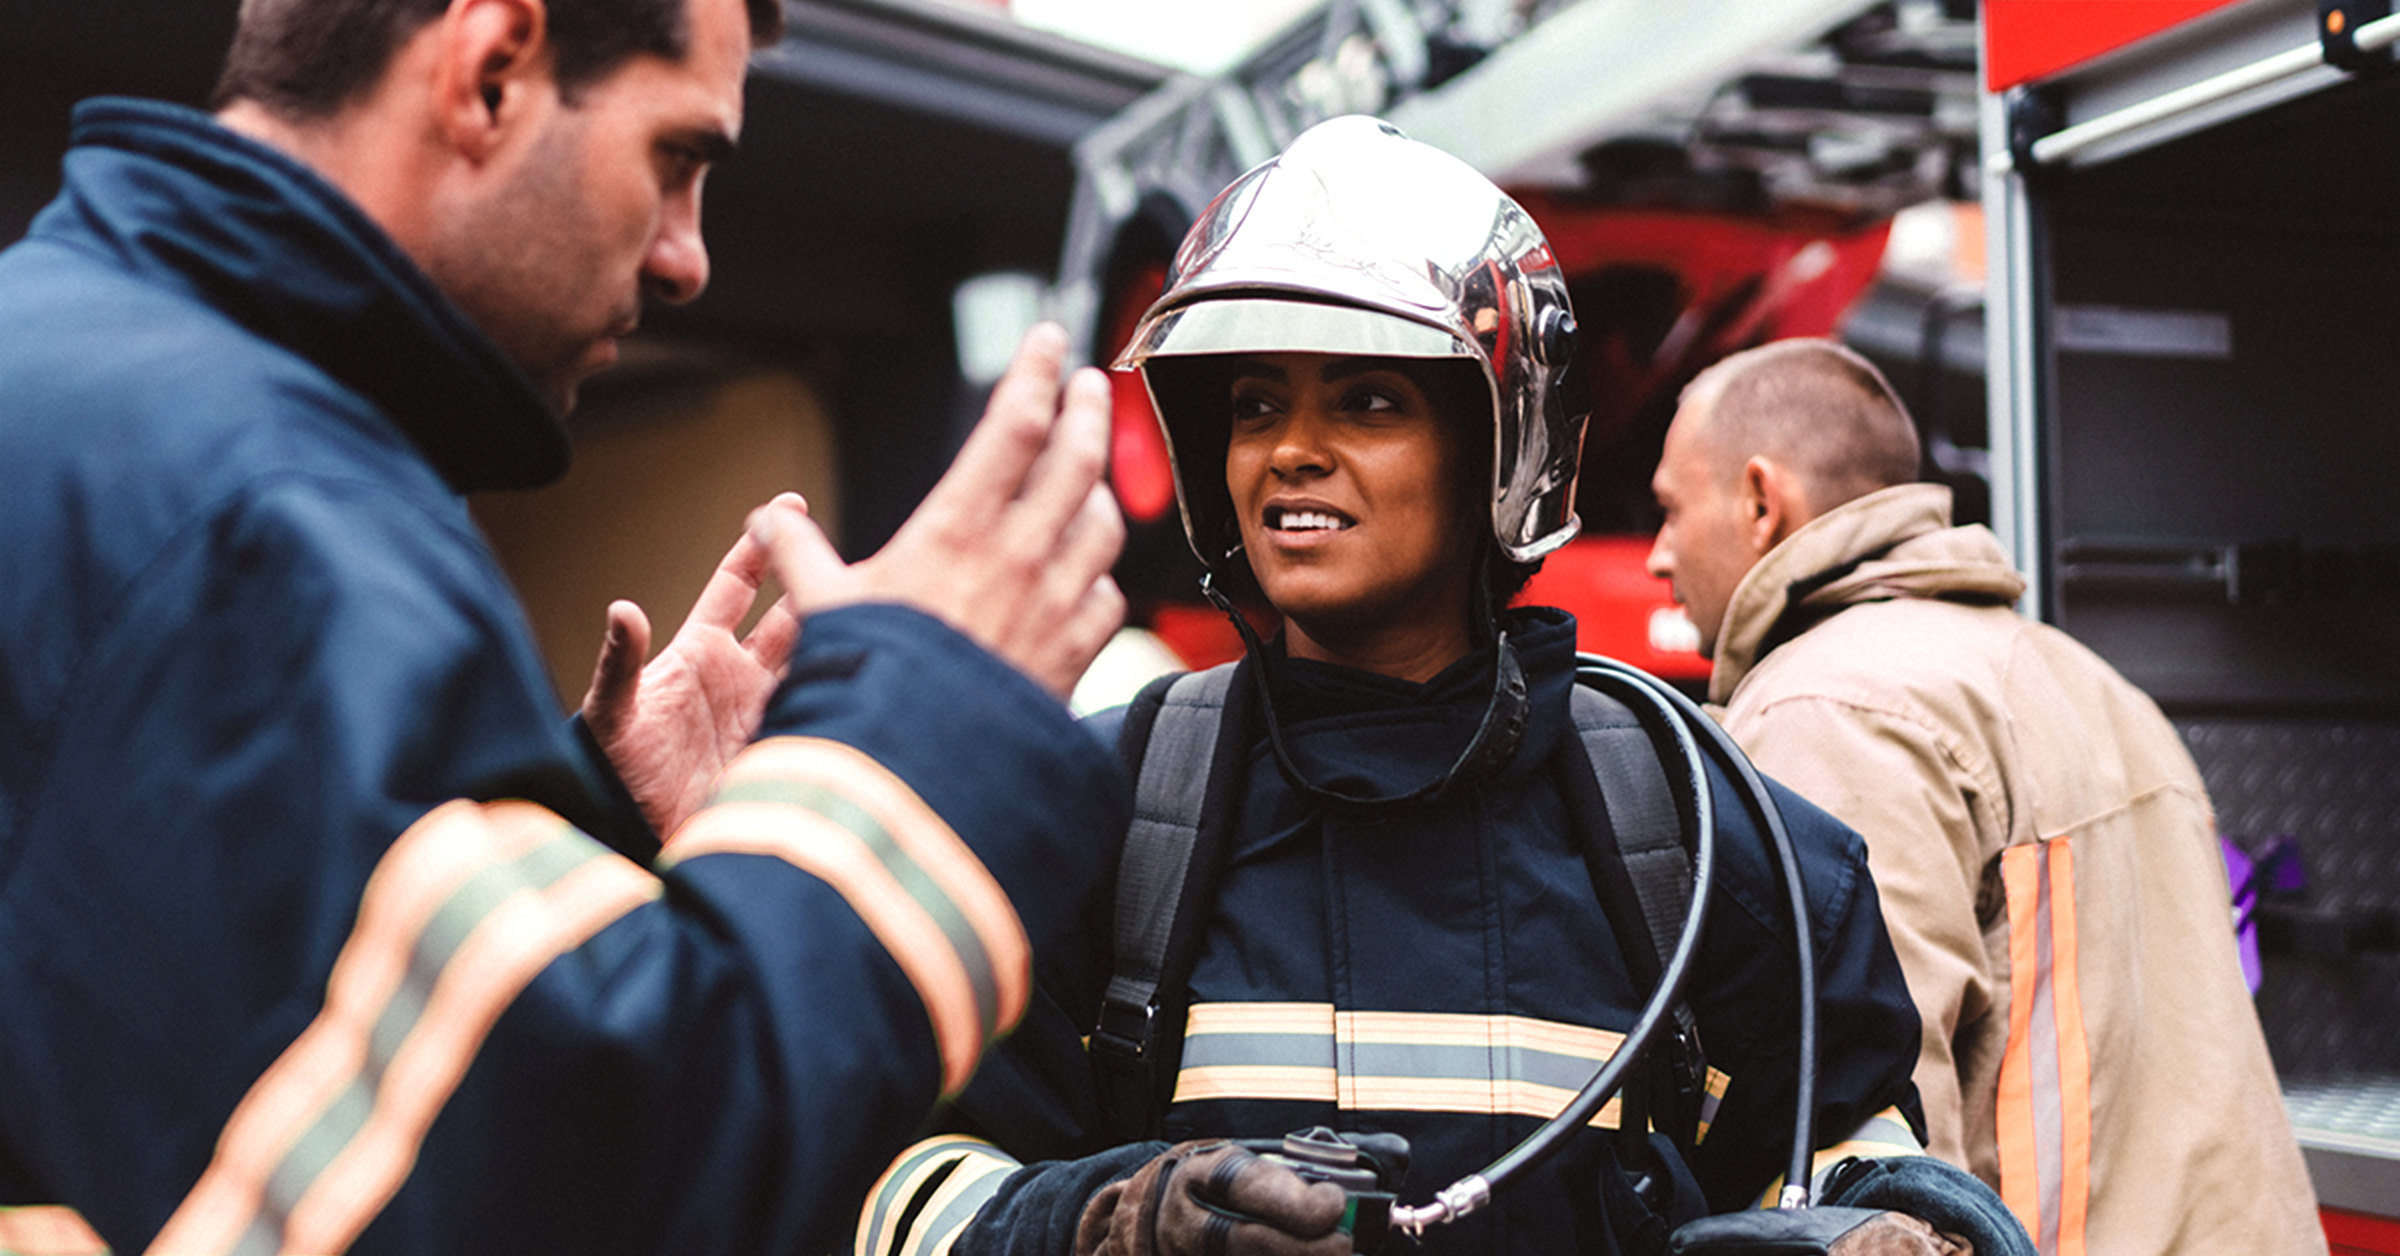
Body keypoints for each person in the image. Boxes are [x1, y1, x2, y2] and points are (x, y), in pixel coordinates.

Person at [0, 0, 1132, 1252]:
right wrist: (926, 739)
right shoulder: (253, 515)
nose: (687, 257)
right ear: (491, 70)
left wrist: (592, 843)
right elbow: (548, 1187)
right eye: (677, 159)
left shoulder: (85, 385)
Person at [850, 118, 2032, 1256]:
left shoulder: (1711, 838)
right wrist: (1106, 1219)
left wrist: (1909, 1222)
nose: (1288, 449)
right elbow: (907, 1190)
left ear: (1500, 447)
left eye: (1368, 399)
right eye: (1256, 401)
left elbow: (1839, 1155)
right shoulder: (1087, 820)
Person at [1644, 337, 2325, 1256]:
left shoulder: (1830, 709)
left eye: (1670, 510)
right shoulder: (2087, 681)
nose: (1656, 555)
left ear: (1762, 503)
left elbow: (1877, 1174)